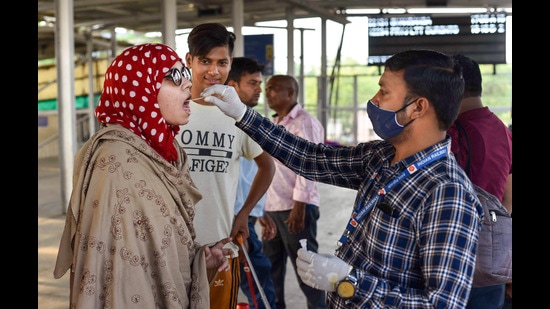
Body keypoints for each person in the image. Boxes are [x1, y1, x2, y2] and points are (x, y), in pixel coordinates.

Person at [201, 49, 485, 308]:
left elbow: (443, 304)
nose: (373, 101)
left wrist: (348, 282)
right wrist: (243, 114)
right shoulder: (382, 157)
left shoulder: (447, 192)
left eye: (383, 93)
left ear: (418, 107)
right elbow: (311, 158)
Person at [53, 43, 234, 308]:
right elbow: (118, 275)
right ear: (140, 91)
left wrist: (199, 261)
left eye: (185, 73)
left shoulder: (163, 152)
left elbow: (157, 250)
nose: (187, 84)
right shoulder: (115, 161)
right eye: (174, 77)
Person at [175, 23, 275, 308]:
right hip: (173, 246)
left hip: (219, 246)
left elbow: (267, 166)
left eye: (222, 63)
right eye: (205, 61)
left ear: (230, 63)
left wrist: (244, 213)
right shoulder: (171, 111)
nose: (214, 71)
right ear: (189, 61)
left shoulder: (237, 116)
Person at [446, 54, 513, 309]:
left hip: (453, 257)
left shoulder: (451, 132)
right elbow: (508, 199)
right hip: (492, 259)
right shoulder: (503, 130)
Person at [260, 75, 326, 309]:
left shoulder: (303, 122)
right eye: (266, 89)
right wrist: (262, 208)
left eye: (273, 89)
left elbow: (309, 166)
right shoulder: (275, 124)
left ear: (290, 93)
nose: (267, 93)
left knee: (307, 271)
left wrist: (299, 207)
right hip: (273, 209)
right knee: (270, 270)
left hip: (295, 209)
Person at [226, 57, 278, 309]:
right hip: (233, 220)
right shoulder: (226, 122)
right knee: (256, 286)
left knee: (256, 281)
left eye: (260, 82)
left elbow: (248, 174)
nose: (259, 88)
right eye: (252, 83)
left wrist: (258, 211)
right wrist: (243, 215)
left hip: (242, 216)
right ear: (233, 85)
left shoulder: (249, 121)